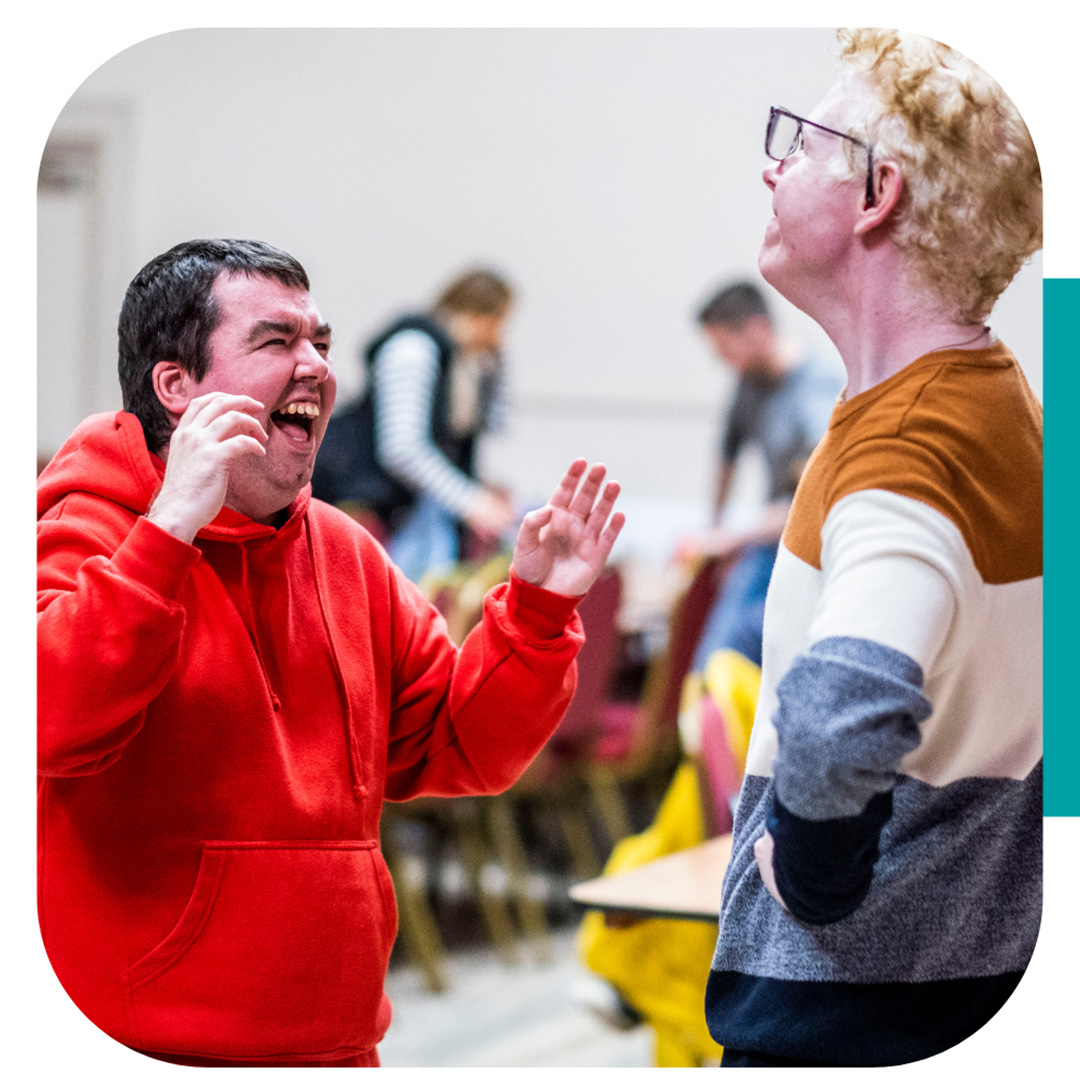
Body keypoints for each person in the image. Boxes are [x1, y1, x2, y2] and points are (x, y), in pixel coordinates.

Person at [37, 238, 625, 1067]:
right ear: (177, 388)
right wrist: (168, 533)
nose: (316, 367)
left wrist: (536, 611)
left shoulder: (343, 551)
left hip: (339, 1043)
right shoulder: (87, 529)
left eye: (322, 342)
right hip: (149, 1048)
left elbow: (463, 746)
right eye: (278, 342)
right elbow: (48, 721)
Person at [705, 29, 1042, 1067]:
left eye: (802, 143)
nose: (773, 162)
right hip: (956, 977)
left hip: (848, 1013)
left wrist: (809, 874)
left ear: (876, 194)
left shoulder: (909, 447)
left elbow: (845, 705)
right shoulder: (991, 397)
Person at [312, 268, 517, 582]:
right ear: (480, 316)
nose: (500, 336)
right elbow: (402, 449)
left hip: (399, 504)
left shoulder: (461, 361)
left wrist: (497, 366)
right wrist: (471, 502)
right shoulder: (414, 348)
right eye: (499, 324)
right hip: (361, 498)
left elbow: (491, 426)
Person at [684, 280, 839, 669]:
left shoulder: (816, 396)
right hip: (771, 539)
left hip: (810, 544)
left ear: (756, 330)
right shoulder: (748, 384)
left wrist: (729, 539)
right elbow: (727, 454)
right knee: (718, 657)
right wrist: (714, 527)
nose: (723, 361)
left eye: (724, 349)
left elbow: (809, 504)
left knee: (735, 648)